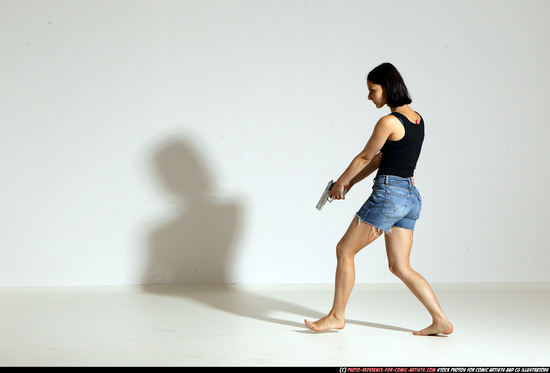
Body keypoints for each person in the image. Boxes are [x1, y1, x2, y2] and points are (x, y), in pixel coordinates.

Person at [305, 62, 453, 336]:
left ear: (387, 88)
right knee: (400, 266)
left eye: (372, 90)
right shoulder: (417, 119)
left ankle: (336, 316)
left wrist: (339, 182)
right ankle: (441, 320)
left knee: (344, 251)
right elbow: (382, 158)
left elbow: (364, 157)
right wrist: (349, 183)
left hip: (390, 196)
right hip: (410, 197)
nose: (370, 97)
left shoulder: (388, 121)